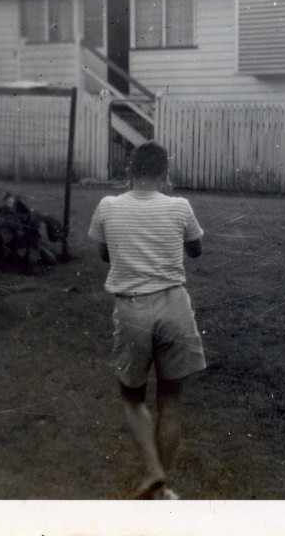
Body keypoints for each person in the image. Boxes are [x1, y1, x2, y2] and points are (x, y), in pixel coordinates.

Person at [88, 141, 205, 500]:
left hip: (132, 309)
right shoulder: (179, 206)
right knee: (171, 398)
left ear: (129, 173)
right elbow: (196, 249)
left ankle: (154, 472)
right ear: (165, 175)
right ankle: (161, 486)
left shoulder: (108, 206)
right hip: (174, 306)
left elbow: (105, 252)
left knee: (131, 396)